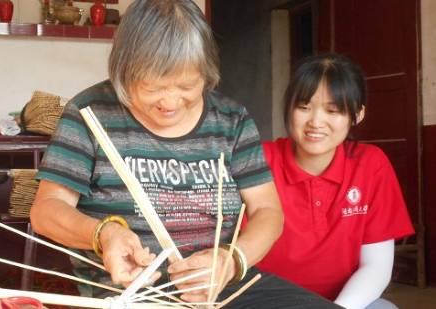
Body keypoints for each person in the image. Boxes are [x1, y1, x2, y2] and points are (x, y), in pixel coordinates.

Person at [30, 1, 339, 308]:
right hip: (130, 293)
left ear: (206, 74)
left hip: (220, 287)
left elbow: (268, 212)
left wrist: (231, 261)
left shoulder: (231, 121)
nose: (170, 102)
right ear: (124, 73)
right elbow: (46, 211)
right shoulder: (89, 114)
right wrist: (104, 234)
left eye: (187, 86)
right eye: (153, 88)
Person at [257, 53, 415, 309]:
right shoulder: (258, 161)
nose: (316, 122)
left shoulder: (371, 165)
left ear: (357, 114)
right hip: (265, 302)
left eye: (333, 110)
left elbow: (376, 266)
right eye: (304, 107)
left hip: (342, 302)